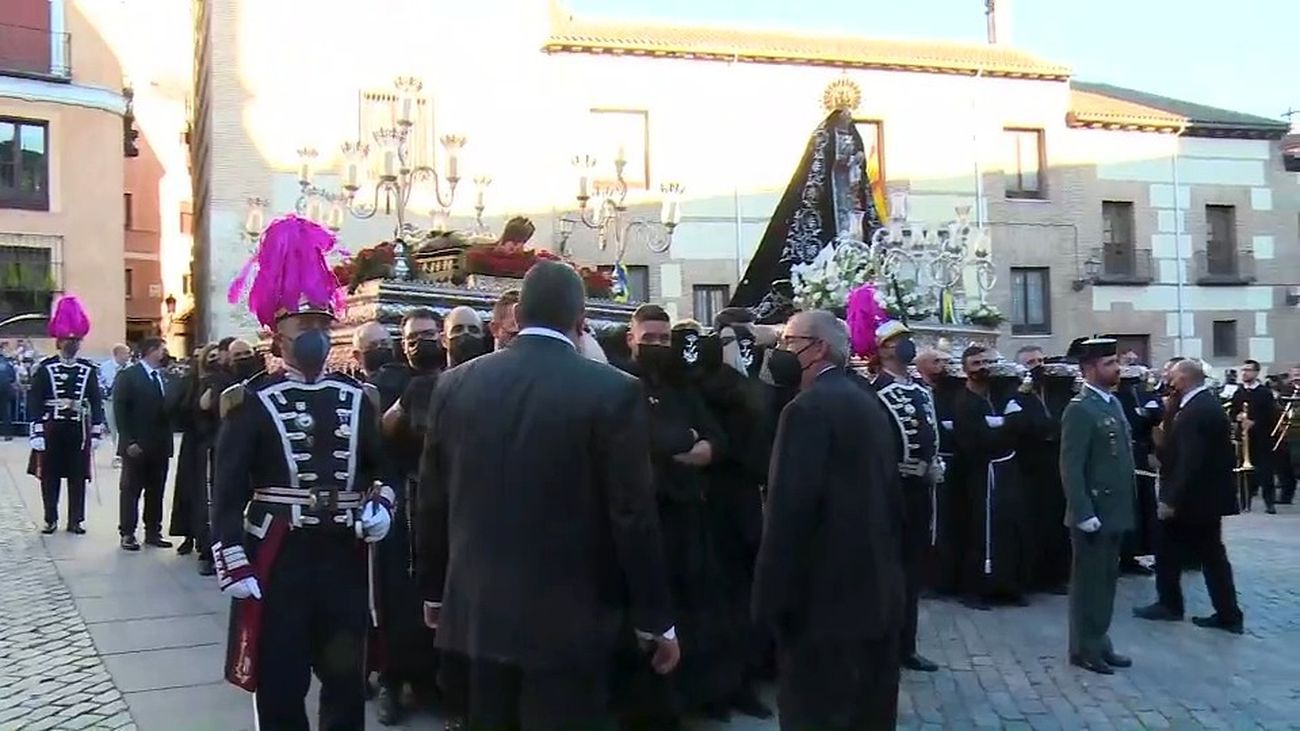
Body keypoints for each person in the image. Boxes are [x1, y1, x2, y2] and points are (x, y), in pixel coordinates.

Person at [416, 261, 679, 730]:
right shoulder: (612, 390)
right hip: (572, 618)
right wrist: (655, 618)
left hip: (479, 608)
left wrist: (435, 590)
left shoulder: (455, 385)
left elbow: (433, 500)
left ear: (516, 315)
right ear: (582, 321)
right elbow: (632, 514)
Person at [211, 214, 394, 730]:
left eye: (321, 324)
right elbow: (225, 492)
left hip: (342, 554)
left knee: (345, 681)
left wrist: (381, 502)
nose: (313, 333)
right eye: (302, 325)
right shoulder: (248, 402)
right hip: (281, 556)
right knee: (281, 681)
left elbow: (383, 471)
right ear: (278, 332)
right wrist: (234, 558)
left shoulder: (360, 398)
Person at [753, 309, 905, 730]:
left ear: (818, 347)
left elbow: (788, 514)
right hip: (874, 594)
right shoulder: (866, 398)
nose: (780, 352)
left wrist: (768, 601)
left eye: (788, 341)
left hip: (820, 605)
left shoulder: (807, 409)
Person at [618, 306, 732, 727]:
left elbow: (716, 442)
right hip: (645, 519)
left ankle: (690, 697)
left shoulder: (682, 389)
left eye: (664, 339)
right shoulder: (620, 384)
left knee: (692, 608)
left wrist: (685, 448)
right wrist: (685, 443)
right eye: (648, 338)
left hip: (687, 518)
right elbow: (643, 443)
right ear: (631, 339)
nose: (657, 346)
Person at [1135, 359, 1244, 634]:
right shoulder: (1200, 404)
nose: (1168, 382)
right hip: (1203, 498)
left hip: (1193, 499)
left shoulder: (1196, 411)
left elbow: (1189, 461)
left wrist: (1170, 499)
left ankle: (1172, 605)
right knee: (1208, 554)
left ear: (1184, 378)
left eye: (1171, 376)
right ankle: (1227, 613)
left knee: (1176, 550)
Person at [352, 319, 426, 725]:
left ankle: (407, 678)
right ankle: (386, 679)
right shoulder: (358, 392)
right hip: (384, 503)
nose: (382, 350)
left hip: (417, 498)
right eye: (373, 345)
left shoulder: (410, 382)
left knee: (407, 595)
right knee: (383, 597)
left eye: (387, 342)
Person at [1058, 338, 1134, 675]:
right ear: (1089, 369)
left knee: (1106, 581)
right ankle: (1084, 648)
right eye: (1108, 363)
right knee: (1089, 584)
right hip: (1094, 511)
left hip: (1115, 509)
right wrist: (1083, 511)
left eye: (1116, 362)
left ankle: (1099, 640)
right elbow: (1071, 466)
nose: (1116, 368)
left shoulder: (1112, 404)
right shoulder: (1080, 408)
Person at [871, 321, 940, 673]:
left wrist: (934, 463)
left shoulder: (920, 390)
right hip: (892, 490)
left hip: (921, 491)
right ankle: (884, 644)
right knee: (890, 572)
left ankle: (907, 645)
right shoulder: (876, 391)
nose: (907, 347)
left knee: (912, 571)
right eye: (900, 342)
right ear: (884, 348)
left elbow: (930, 432)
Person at [953, 345, 1028, 608]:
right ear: (966, 370)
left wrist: (1004, 428)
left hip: (1008, 471)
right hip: (982, 475)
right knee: (980, 530)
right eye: (976, 364)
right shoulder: (963, 403)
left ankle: (1007, 585)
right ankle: (976, 589)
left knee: (1010, 527)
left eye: (987, 362)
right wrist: (1005, 429)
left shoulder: (1001, 396)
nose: (983, 367)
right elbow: (978, 442)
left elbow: (1021, 427)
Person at [26, 296, 105, 535]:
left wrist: (97, 429)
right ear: (58, 342)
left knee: (77, 477)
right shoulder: (45, 368)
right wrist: (36, 430)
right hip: (52, 428)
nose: (72, 344)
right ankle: (50, 518)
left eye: (76, 340)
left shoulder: (88, 369)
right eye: (67, 340)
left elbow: (96, 400)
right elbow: (35, 401)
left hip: (77, 429)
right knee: (49, 477)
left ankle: (76, 520)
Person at [1012, 345, 1071, 593]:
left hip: (1056, 465)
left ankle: (1057, 575)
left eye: (1040, 360)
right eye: (1031, 362)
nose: (1038, 366)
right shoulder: (1017, 393)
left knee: (1057, 521)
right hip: (1030, 466)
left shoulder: (1058, 390)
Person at [113, 337, 175, 551]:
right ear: (150, 351)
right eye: (161, 350)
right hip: (136, 445)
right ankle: (128, 532)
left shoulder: (164, 377)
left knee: (156, 490)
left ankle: (153, 531)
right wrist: (128, 440)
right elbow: (120, 412)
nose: (164, 354)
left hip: (159, 445)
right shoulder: (128, 376)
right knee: (131, 490)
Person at [1229, 359, 1278, 514]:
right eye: (1243, 370)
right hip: (1244, 439)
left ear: (1256, 373)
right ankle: (1244, 502)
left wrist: (1254, 422)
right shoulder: (1239, 392)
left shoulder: (1264, 393)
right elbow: (1233, 412)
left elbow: (1271, 414)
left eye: (1248, 370)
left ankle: (1269, 502)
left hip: (1261, 438)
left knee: (1265, 471)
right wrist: (1237, 417)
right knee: (1244, 472)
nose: (1245, 373)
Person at [98, 344, 130, 463]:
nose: (128, 356)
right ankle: (117, 454)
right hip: (110, 402)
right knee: (113, 428)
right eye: (127, 353)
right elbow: (100, 383)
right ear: (118, 354)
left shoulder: (130, 368)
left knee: (124, 427)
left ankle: (121, 454)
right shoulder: (105, 367)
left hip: (126, 403)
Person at [0, 341, 17, 441]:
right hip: (6, 388)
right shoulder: (7, 362)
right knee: (6, 412)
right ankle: (8, 435)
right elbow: (13, 377)